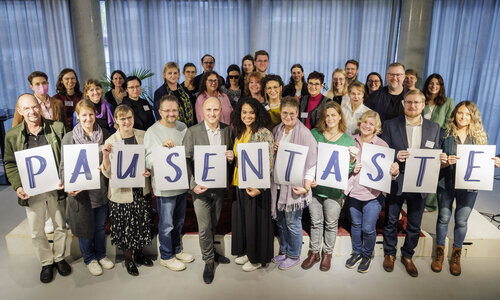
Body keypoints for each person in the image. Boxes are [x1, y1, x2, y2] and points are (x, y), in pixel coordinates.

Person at [4, 94, 71, 283]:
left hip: (55, 188)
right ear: (19, 111)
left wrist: (64, 179)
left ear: (40, 107)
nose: (32, 111)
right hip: (31, 191)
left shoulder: (56, 128)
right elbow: (9, 163)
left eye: (34, 107)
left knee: (60, 226)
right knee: (36, 231)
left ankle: (59, 257)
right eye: (26, 109)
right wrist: (17, 186)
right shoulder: (12, 136)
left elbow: (66, 157)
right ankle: (46, 262)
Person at [432, 101, 500, 276]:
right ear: (454, 114)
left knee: (461, 221)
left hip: (469, 187)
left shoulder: (479, 137)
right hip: (446, 183)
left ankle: (456, 254)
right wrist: (444, 162)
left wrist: (494, 162)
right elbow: (434, 161)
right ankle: (439, 253)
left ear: (473, 117)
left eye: (467, 114)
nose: (463, 117)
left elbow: (482, 163)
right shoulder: (445, 133)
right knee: (443, 218)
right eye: (460, 113)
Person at [381, 89, 440, 277]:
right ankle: (389, 253)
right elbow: (384, 151)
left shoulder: (434, 128)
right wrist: (395, 156)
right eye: (409, 102)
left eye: (416, 103)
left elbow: (436, 153)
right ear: (403, 104)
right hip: (397, 178)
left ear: (423, 105)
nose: (412, 106)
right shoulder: (390, 125)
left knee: (414, 222)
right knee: (391, 219)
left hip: (421, 181)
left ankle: (407, 255)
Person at [59, 99, 114, 276]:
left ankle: (101, 255)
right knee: (84, 229)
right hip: (80, 193)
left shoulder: (105, 133)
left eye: (91, 114)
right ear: (77, 116)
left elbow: (112, 160)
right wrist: (68, 185)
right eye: (84, 115)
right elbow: (63, 166)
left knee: (99, 227)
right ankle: (89, 258)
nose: (88, 118)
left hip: (101, 191)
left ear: (95, 115)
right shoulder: (69, 138)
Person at [183, 97, 234, 283]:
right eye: (208, 110)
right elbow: (185, 160)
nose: (212, 114)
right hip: (200, 190)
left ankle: (212, 253)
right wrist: (192, 184)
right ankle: (209, 261)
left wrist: (231, 157)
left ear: (221, 111)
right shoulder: (192, 131)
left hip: (219, 188)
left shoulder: (228, 130)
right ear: (202, 112)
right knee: (204, 227)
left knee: (213, 223)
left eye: (216, 110)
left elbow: (231, 157)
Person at [302, 101, 357, 271]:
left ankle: (327, 253)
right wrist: (310, 178)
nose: (330, 118)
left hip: (335, 192)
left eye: (334, 115)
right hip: (315, 188)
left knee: (331, 224)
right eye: (327, 115)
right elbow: (307, 160)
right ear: (323, 118)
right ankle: (314, 252)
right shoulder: (314, 134)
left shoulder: (348, 140)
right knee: (316, 222)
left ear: (340, 116)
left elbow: (347, 169)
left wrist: (353, 160)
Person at [344, 110, 399, 273]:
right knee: (355, 224)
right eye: (364, 122)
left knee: (368, 228)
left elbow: (388, 174)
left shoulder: (382, 145)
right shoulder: (350, 141)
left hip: (373, 194)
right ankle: (356, 252)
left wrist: (394, 171)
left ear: (376, 128)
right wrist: (352, 167)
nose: (367, 126)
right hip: (354, 191)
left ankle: (367, 254)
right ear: (360, 123)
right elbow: (341, 167)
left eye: (371, 124)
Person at [101, 104, 153, 276]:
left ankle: (139, 254)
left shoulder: (143, 136)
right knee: (125, 228)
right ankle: (128, 259)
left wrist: (148, 170)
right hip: (121, 193)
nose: (126, 121)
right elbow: (107, 173)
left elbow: (149, 160)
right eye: (122, 119)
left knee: (140, 223)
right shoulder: (110, 141)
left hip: (140, 189)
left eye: (129, 117)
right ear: (116, 121)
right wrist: (106, 156)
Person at [144, 95, 194, 272]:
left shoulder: (182, 127)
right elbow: (147, 161)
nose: (172, 114)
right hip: (164, 188)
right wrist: (161, 150)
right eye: (168, 110)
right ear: (160, 112)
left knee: (179, 221)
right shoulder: (152, 131)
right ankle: (166, 256)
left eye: (174, 110)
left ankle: (176, 250)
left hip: (181, 184)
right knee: (166, 224)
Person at [270, 96, 317, 270]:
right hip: (279, 185)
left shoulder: (305, 134)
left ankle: (294, 254)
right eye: (284, 113)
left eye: (291, 113)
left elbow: (312, 163)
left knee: (292, 222)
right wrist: (273, 149)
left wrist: (305, 186)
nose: (288, 116)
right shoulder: (277, 130)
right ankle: (283, 250)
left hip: (296, 187)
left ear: (297, 113)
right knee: (281, 222)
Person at [230, 97, 274, 272]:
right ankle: (248, 252)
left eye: (251, 112)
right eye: (244, 112)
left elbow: (269, 162)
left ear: (258, 114)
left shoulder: (264, 133)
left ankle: (257, 258)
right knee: (245, 222)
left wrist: (260, 188)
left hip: (255, 187)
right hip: (238, 183)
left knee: (255, 223)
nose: (247, 115)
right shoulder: (240, 131)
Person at [421, 74, 455, 212]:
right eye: (431, 83)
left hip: (438, 139)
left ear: (441, 86)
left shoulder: (448, 102)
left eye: (437, 84)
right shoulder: (421, 99)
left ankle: (430, 203)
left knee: (433, 171)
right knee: (421, 168)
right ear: (427, 84)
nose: (434, 86)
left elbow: (448, 123)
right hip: (420, 137)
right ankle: (417, 196)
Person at [153, 62, 194, 127]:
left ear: (179, 75)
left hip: (189, 129)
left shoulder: (185, 90)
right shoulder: (159, 92)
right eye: (170, 73)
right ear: (164, 75)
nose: (173, 76)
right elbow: (159, 115)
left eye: (175, 73)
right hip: (171, 129)